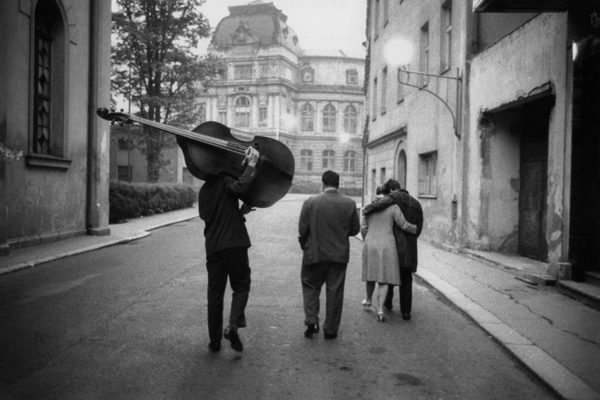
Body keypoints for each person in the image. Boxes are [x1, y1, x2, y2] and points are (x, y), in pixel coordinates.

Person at [197, 142, 260, 353]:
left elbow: (213, 216)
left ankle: (214, 342)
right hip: (233, 244)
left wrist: (240, 212)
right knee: (241, 286)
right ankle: (232, 326)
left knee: (214, 294)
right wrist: (251, 165)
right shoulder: (226, 181)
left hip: (213, 247)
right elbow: (240, 187)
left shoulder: (204, 191)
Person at [298, 170, 360, 339]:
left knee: (310, 286)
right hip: (338, 255)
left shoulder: (310, 202)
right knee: (335, 292)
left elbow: (302, 230)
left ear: (322, 183)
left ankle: (311, 320)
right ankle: (331, 330)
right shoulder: (349, 203)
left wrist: (305, 246)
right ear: (338, 185)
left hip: (314, 252)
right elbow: (355, 229)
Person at [363, 179, 423, 321]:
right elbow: (418, 226)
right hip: (409, 246)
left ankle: (386, 304)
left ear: (389, 191)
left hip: (392, 244)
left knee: (387, 275)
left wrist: (366, 210)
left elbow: (374, 210)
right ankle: (406, 312)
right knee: (406, 278)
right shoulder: (416, 203)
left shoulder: (392, 199)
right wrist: (412, 236)